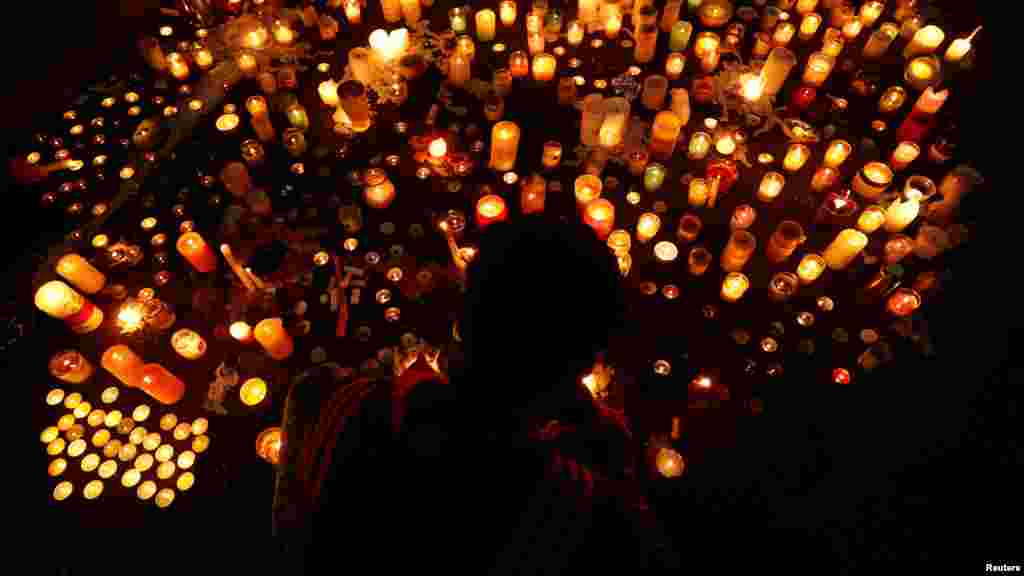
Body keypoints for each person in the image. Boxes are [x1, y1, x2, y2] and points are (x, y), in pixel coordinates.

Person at [271, 214, 680, 570]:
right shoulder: (581, 507)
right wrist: (615, 464)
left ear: (462, 321)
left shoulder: (327, 399)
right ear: (583, 368)